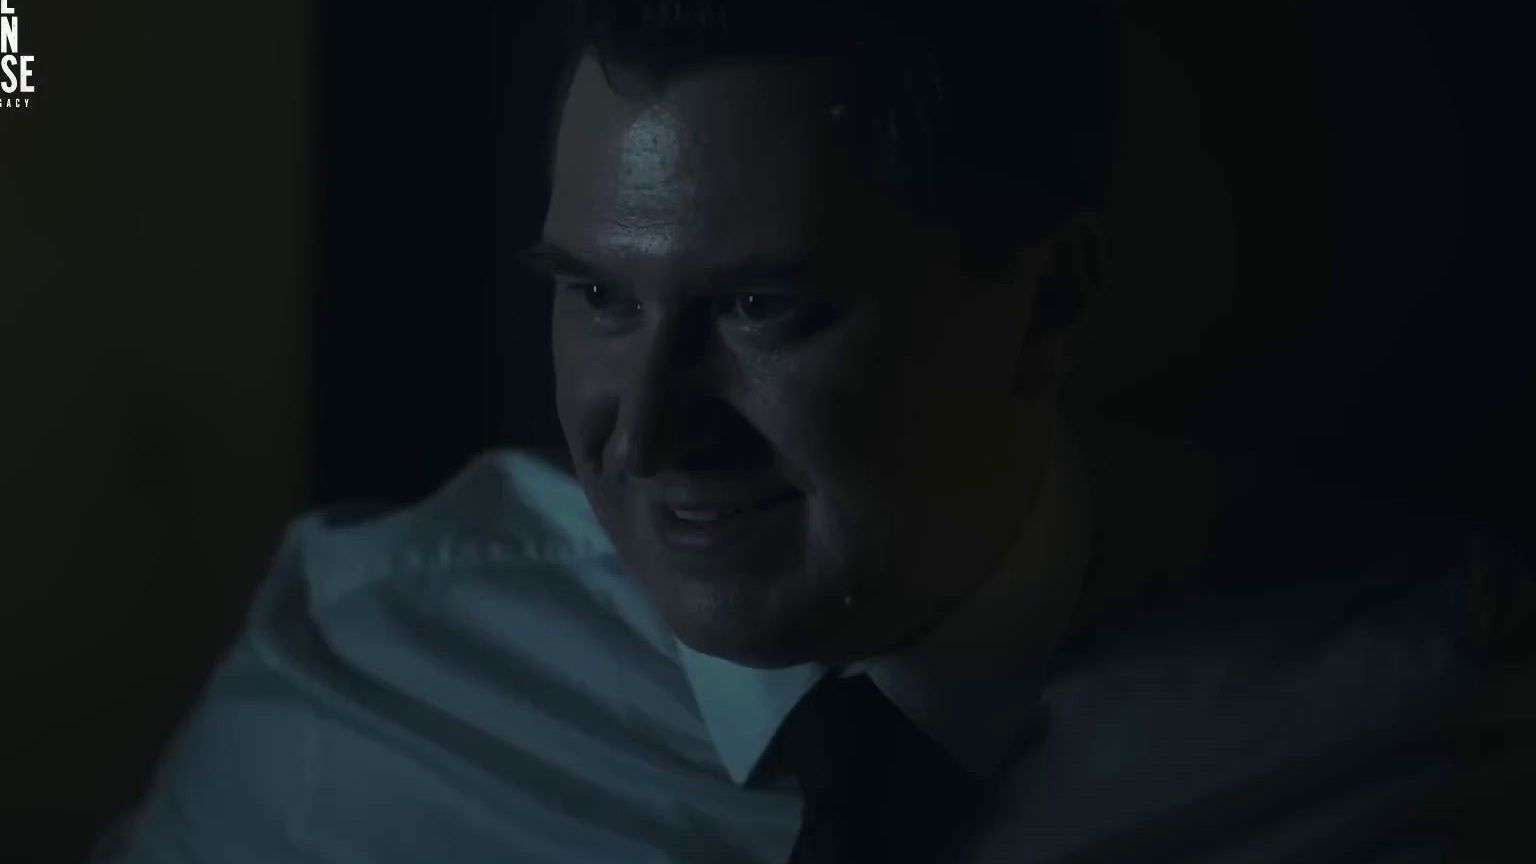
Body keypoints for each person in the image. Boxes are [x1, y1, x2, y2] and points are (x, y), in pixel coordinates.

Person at [96, 1, 1534, 861]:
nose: (646, 434)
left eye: (764, 309)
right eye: (598, 296)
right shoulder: (361, 678)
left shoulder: (1423, 723)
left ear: (1048, 307)